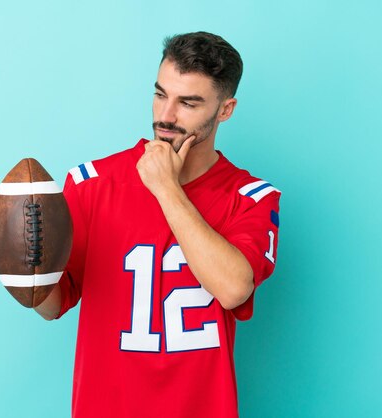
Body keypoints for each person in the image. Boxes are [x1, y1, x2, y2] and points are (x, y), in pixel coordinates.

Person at [35, 31, 281, 418]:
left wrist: (167, 188)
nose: (166, 116)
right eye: (160, 94)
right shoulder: (91, 183)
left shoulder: (251, 196)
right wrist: (22, 269)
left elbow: (234, 289)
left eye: (188, 103)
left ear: (225, 109)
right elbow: (53, 305)